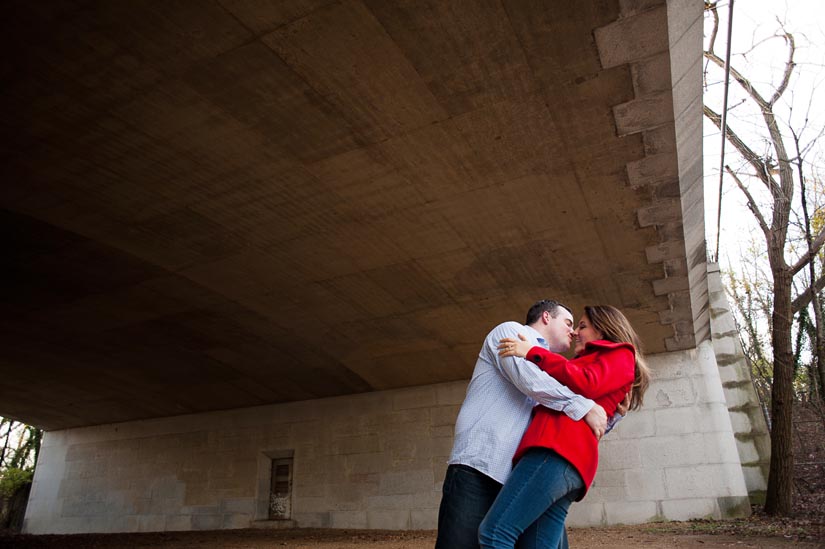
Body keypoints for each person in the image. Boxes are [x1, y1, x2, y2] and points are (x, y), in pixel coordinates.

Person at [435, 300, 620, 549]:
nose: (574, 331)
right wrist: (583, 405)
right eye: (568, 323)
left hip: (520, 477)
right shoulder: (511, 333)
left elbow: (572, 421)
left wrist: (611, 412)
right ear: (546, 317)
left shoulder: (554, 369)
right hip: (479, 467)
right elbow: (531, 381)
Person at [477, 305, 651, 549]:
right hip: (565, 462)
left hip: (555, 452)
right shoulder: (597, 362)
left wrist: (533, 352)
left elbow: (587, 383)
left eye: (582, 326)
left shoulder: (620, 353)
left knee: (495, 532)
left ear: (602, 330)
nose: (576, 333)